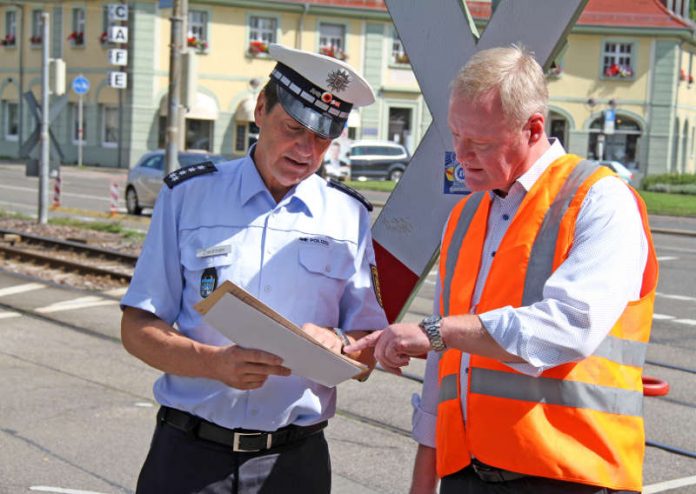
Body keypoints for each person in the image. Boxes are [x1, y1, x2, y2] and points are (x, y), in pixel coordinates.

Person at [347, 45, 658, 494]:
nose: (461, 154)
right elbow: (446, 369)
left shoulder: (600, 199)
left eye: (481, 142)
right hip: (467, 475)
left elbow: (570, 327)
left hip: (571, 477)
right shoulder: (467, 215)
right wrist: (424, 478)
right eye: (455, 135)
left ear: (533, 128)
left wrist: (438, 332)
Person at [120, 43, 387, 494]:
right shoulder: (188, 196)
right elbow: (137, 327)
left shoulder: (349, 216)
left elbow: (368, 351)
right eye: (293, 129)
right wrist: (213, 363)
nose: (306, 150)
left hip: (293, 463)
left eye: (323, 139)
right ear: (261, 110)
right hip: (189, 456)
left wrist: (340, 345)